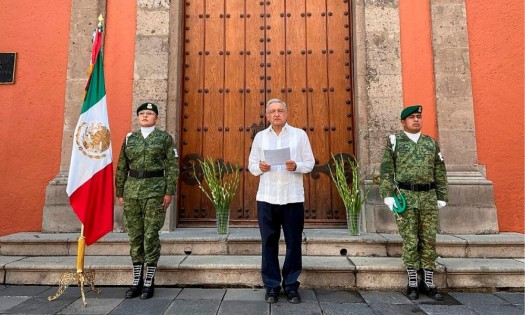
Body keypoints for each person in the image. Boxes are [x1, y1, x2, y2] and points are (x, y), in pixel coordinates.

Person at [248, 98, 315, 304]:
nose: (276, 114)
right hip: (267, 198)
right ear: (267, 115)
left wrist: (296, 166)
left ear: (286, 113)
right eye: (272, 111)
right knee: (269, 243)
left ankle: (292, 286)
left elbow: (310, 163)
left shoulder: (299, 135)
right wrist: (261, 168)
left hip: (292, 198)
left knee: (294, 243)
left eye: (280, 111)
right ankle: (271, 286)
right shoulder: (260, 137)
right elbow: (251, 166)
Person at [379, 105, 448, 301]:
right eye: (411, 118)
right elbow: (386, 169)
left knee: (428, 238)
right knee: (410, 239)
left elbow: (440, 170)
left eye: (418, 117)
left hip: (428, 196)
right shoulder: (394, 142)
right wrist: (388, 194)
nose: (416, 120)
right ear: (403, 122)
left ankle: (428, 281)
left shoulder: (430, 143)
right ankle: (412, 282)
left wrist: (442, 195)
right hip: (405, 196)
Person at [115, 102, 179, 300]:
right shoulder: (129, 139)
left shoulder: (164, 138)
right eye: (141, 113)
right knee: (135, 235)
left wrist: (169, 192)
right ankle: (137, 281)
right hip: (132, 191)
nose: (144, 116)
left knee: (150, 234)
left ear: (156, 117)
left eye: (149, 113)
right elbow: (121, 166)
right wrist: (120, 192)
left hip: (155, 191)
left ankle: (149, 281)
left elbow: (173, 166)